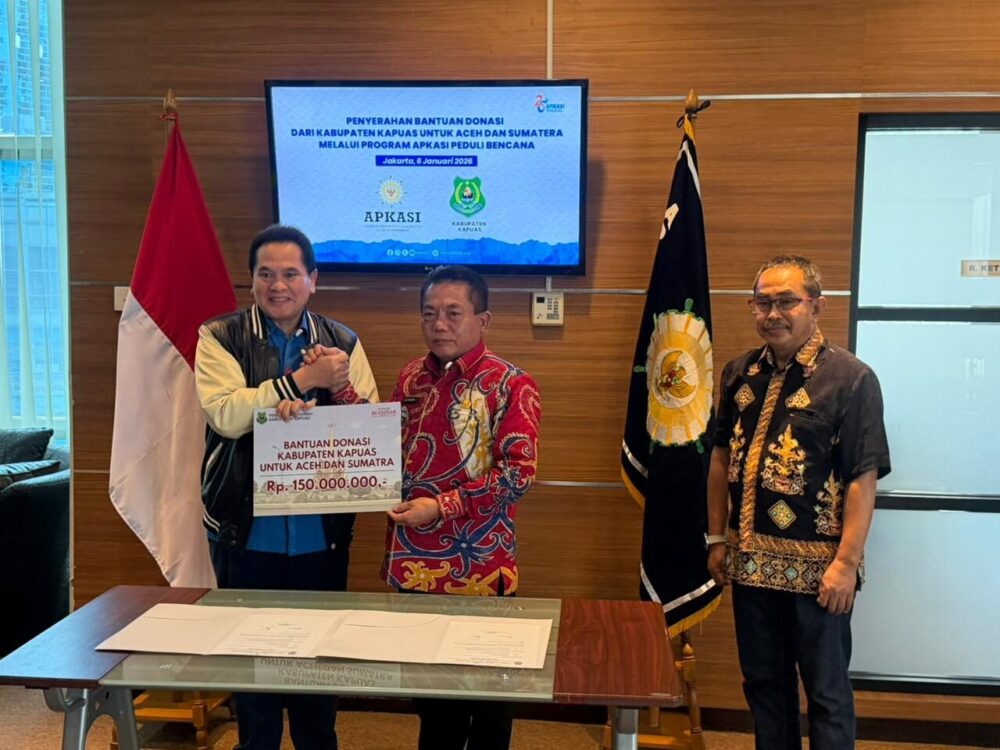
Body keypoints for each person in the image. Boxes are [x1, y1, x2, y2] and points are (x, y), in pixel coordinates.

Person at [194, 224, 378, 750]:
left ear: (313, 279)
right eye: (266, 274)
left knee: (317, 671)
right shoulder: (219, 336)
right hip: (246, 532)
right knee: (255, 674)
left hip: (322, 535)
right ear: (251, 280)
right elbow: (225, 414)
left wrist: (330, 391)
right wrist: (297, 384)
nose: (278, 286)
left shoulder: (343, 342)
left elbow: (368, 423)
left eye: (291, 274)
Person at [705, 255, 891, 750]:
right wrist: (717, 536)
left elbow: (863, 476)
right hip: (750, 567)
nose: (773, 314)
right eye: (762, 302)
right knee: (765, 689)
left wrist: (846, 564)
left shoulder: (851, 378)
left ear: (816, 306)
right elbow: (720, 457)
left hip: (820, 573)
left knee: (826, 695)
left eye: (787, 301)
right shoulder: (739, 374)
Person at [381, 265, 541, 750]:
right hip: (414, 566)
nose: (439, 325)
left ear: (483, 320)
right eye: (429, 313)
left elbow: (518, 475)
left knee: (489, 703)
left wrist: (442, 506)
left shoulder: (510, 384)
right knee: (433, 707)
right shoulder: (410, 376)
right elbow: (383, 447)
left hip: (480, 569)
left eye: (453, 313)